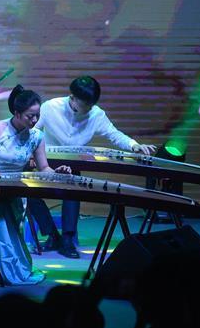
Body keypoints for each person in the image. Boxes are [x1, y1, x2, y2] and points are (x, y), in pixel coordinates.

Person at [0, 85, 72, 286]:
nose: (35, 120)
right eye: (30, 116)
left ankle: (3, 267)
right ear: (17, 113)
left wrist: (57, 172)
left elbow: (44, 168)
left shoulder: (37, 136)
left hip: (14, 186)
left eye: (37, 115)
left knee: (8, 229)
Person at [29, 75, 157, 258]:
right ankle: (52, 235)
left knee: (73, 190)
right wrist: (30, 155)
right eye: (85, 105)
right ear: (72, 98)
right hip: (46, 162)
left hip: (73, 163)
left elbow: (114, 134)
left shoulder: (96, 114)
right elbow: (32, 131)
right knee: (29, 194)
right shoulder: (50, 107)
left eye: (91, 105)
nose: (88, 109)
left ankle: (67, 240)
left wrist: (134, 145)